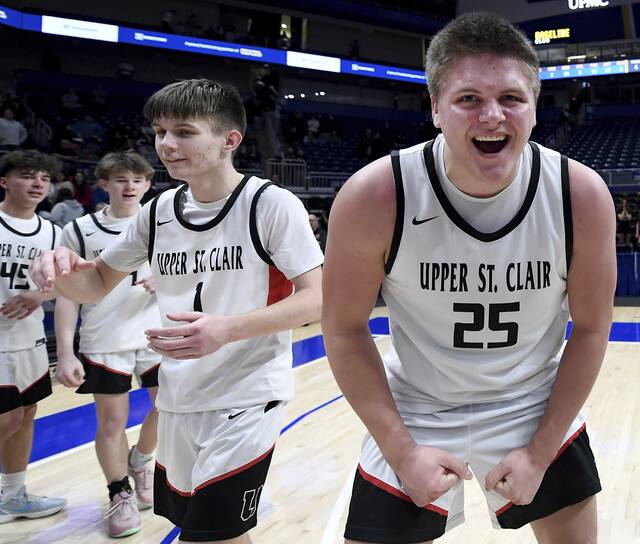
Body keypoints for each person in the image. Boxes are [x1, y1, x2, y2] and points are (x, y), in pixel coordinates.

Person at [322, 12, 615, 544]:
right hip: (419, 405)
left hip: (533, 400)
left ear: (534, 107)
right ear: (435, 108)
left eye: (510, 98)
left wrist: (540, 450)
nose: (491, 116)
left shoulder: (580, 194)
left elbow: (593, 329)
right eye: (468, 99)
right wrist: (401, 450)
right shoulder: (377, 195)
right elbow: (343, 329)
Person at [29, 78, 324, 543]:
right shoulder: (159, 210)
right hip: (179, 396)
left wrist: (228, 329)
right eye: (159, 131)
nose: (166, 144)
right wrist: (56, 267)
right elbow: (93, 284)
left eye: (184, 131)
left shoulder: (269, 204)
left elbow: (318, 298)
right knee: (213, 529)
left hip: (247, 393)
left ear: (230, 140)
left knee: (208, 535)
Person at [54, 151, 161, 538]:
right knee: (112, 422)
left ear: (148, 184)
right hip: (105, 337)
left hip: (157, 333)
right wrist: (65, 352)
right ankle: (120, 492)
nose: (129, 186)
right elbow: (67, 294)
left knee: (171, 406)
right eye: (120, 179)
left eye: (137, 180)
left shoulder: (165, 223)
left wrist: (164, 282)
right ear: (104, 185)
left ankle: (142, 459)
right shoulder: (80, 230)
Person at [0, 149, 67, 523]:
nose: (38, 183)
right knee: (7, 419)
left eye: (43, 176)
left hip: (30, 339)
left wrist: (38, 295)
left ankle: (12, 495)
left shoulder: (54, 232)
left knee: (26, 415)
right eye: (27, 175)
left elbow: (67, 285)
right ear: (5, 181)